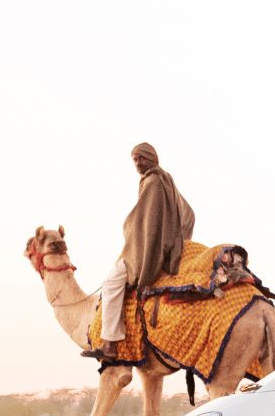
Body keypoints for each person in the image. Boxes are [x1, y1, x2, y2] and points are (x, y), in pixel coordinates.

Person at [82, 142, 196, 359]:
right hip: (162, 245)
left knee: (111, 283)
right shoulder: (164, 178)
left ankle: (110, 345)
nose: (137, 163)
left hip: (148, 249)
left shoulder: (153, 182)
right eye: (134, 159)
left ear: (152, 158)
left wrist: (134, 238)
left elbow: (144, 224)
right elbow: (186, 212)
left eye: (141, 158)